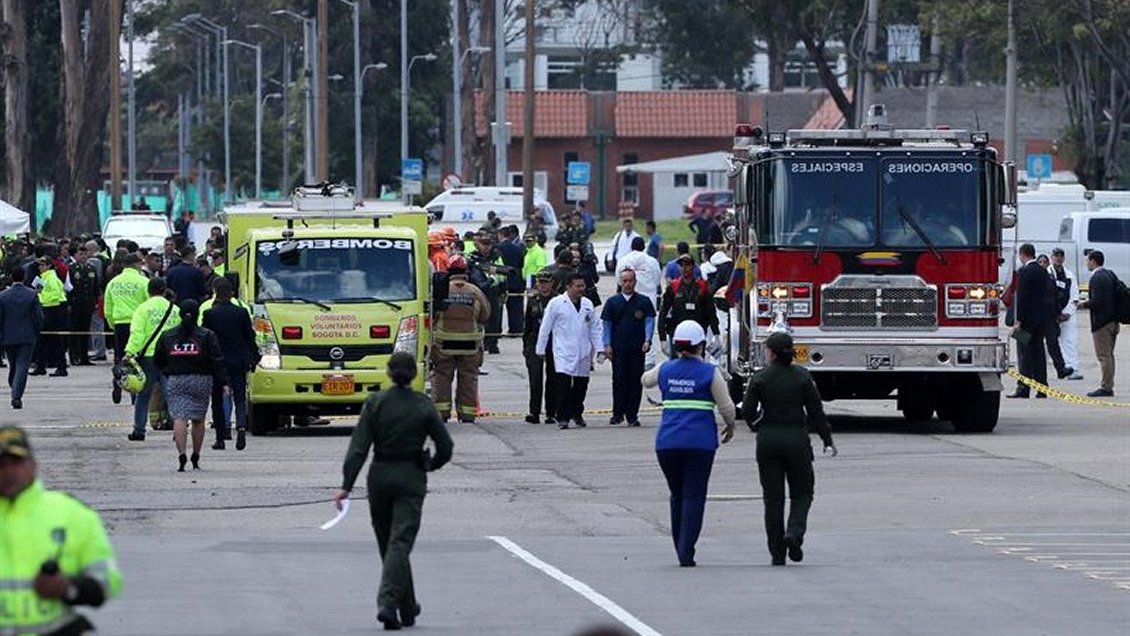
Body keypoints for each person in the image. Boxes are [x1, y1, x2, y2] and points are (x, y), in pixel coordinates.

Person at [333, 352, 453, 631]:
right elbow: (445, 447)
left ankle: (407, 607)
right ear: (414, 374)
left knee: (389, 543)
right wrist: (431, 465)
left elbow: (359, 447)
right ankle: (388, 603)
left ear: (388, 373)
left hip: (380, 476)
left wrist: (346, 486)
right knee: (400, 542)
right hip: (411, 476)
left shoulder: (375, 402)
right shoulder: (423, 405)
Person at [0, 426, 123, 635]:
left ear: (33, 467)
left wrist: (68, 588)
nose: (8, 471)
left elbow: (107, 581)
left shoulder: (71, 515)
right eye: (1, 464)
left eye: (16, 463)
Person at [640, 320, 736, 567]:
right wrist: (730, 425)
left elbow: (645, 380)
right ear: (700, 346)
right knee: (694, 495)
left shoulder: (666, 369)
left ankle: (678, 545)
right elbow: (726, 406)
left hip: (667, 444)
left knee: (677, 494)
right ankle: (686, 549)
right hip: (700, 444)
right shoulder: (709, 372)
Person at [743, 332, 837, 566]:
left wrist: (758, 424)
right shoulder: (802, 377)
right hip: (797, 439)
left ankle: (777, 553)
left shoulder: (760, 378)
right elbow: (816, 412)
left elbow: (747, 411)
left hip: (768, 440)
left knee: (773, 499)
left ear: (772, 353)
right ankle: (794, 532)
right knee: (803, 492)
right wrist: (826, 438)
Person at [154, 299, 226, 471]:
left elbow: (158, 358)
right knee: (198, 419)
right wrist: (223, 380)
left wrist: (167, 370)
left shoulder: (168, 335)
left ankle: (181, 454)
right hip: (201, 379)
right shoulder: (207, 335)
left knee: (179, 417)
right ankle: (196, 455)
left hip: (176, 379)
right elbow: (217, 359)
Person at [535, 273, 602, 430]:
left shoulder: (587, 304)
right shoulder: (556, 303)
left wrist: (600, 349)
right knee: (563, 386)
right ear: (568, 287)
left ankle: (577, 413)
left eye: (582, 286)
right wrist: (541, 348)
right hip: (562, 351)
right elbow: (545, 328)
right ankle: (563, 417)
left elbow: (595, 328)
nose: (581, 289)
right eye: (577, 286)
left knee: (581, 386)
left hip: (583, 351)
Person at [201, 278, 258, 451]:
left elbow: (206, 340)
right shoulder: (241, 312)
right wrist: (255, 356)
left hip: (218, 362)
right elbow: (249, 336)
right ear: (232, 293)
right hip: (239, 360)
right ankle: (241, 426)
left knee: (218, 400)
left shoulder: (209, 314)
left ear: (215, 292)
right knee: (240, 397)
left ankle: (221, 436)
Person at [432, 255, 490, 423]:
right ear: (465, 271)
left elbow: (433, 315)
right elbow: (485, 314)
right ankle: (467, 414)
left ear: (448, 271)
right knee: (468, 377)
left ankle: (441, 413)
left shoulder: (441, 291)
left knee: (442, 376)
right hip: (470, 344)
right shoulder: (475, 291)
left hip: (444, 343)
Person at [124, 278, 179, 441]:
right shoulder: (174, 309)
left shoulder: (142, 309)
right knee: (172, 394)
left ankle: (139, 430)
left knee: (143, 396)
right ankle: (179, 428)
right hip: (170, 356)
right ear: (164, 290)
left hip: (149, 357)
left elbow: (137, 334)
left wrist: (129, 353)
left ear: (148, 291)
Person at [602, 269, 655, 427]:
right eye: (624, 281)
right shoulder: (612, 302)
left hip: (637, 348)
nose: (627, 284)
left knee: (635, 381)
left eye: (630, 280)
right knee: (618, 380)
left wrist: (648, 339)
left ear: (635, 281)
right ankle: (617, 413)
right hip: (618, 349)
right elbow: (607, 325)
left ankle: (632, 415)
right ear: (620, 282)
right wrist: (607, 344)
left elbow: (649, 321)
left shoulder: (643, 301)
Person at [1009, 243, 1056, 399]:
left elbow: (1022, 298)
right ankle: (1042, 388)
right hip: (1040, 320)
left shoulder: (1025, 272)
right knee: (1038, 353)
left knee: (1024, 354)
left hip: (1026, 322)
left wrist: (1019, 320)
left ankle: (1023, 388)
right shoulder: (1043, 271)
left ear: (1023, 254)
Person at [103, 253, 149, 403]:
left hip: (120, 323)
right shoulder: (143, 281)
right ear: (137, 265)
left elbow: (108, 307)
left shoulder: (113, 283)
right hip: (137, 324)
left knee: (120, 356)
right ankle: (134, 388)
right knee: (136, 358)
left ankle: (118, 381)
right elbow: (149, 303)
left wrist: (112, 323)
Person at [658, 254, 720, 357]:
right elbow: (663, 312)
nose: (684, 268)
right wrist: (663, 339)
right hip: (677, 333)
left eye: (687, 265)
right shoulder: (673, 287)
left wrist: (716, 335)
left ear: (693, 266)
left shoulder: (702, 287)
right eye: (681, 265)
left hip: (698, 333)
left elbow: (711, 312)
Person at [0, 268, 43, 409]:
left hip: (8, 335)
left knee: (14, 364)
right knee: (22, 366)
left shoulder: (3, 296)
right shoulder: (32, 295)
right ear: (24, 278)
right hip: (27, 335)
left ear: (11, 278)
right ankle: (16, 395)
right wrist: (37, 330)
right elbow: (38, 317)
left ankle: (15, 389)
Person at [1078, 250, 1120, 397]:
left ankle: (1106, 387)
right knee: (1109, 355)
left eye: (1088, 260)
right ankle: (1109, 384)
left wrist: (1083, 304)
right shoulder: (1110, 274)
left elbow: (1097, 301)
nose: (1087, 263)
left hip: (1102, 323)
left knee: (1103, 356)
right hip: (1113, 320)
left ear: (1093, 261)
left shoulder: (1096, 278)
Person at [523, 270, 559, 424]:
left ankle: (551, 412)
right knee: (535, 379)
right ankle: (534, 412)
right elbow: (528, 325)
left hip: (553, 342)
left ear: (552, 284)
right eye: (540, 282)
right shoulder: (533, 300)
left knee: (553, 379)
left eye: (545, 282)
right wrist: (526, 346)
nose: (543, 286)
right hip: (534, 341)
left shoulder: (558, 300)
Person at [1049, 248, 1083, 380]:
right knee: (1050, 343)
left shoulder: (1069, 275)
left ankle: (1073, 368)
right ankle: (1037, 370)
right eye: (1056, 255)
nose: (1058, 258)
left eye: (1061, 256)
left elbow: (1074, 296)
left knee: (1069, 341)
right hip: (1051, 315)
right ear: (1051, 257)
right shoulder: (1047, 273)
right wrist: (1055, 314)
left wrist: (1067, 313)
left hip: (1067, 315)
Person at [32, 257, 68, 377]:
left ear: (48, 266)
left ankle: (61, 367)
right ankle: (41, 366)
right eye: (39, 265)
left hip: (52, 310)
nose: (40, 267)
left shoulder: (51, 278)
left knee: (56, 340)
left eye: (42, 265)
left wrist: (40, 298)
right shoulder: (43, 277)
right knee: (42, 340)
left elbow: (55, 295)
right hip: (46, 309)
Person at [496, 224, 527, 334]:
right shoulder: (518, 248)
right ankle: (516, 329)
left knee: (498, 307)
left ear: (501, 235)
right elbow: (521, 264)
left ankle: (497, 330)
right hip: (516, 280)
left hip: (502, 280)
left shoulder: (497, 248)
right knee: (515, 307)